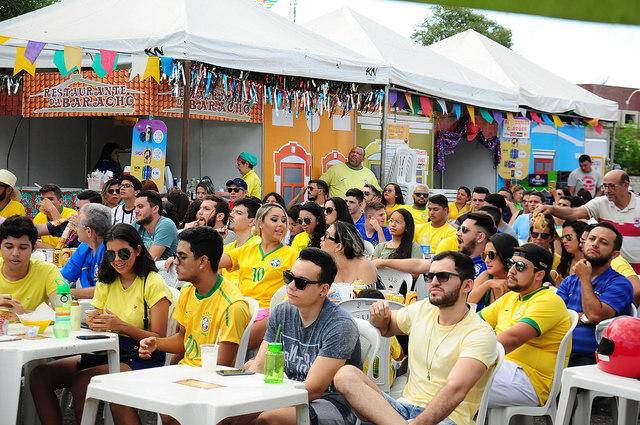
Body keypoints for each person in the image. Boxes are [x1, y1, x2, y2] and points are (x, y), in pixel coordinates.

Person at [29, 223, 172, 425]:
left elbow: (159, 338)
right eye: (111, 254)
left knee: (83, 381)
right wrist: (95, 321)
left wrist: (121, 326)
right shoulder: (107, 281)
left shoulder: (152, 282)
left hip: (141, 357)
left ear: (138, 250)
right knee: (39, 377)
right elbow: (96, 316)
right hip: (104, 352)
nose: (117, 260)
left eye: (123, 253)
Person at [334, 251, 497, 425]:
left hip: (449, 418)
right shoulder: (424, 309)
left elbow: (455, 389)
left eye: (443, 277)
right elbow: (386, 327)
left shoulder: (479, 332)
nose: (434, 282)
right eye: (430, 276)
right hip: (404, 409)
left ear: (467, 285)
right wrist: (377, 316)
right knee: (346, 375)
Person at [139, 227, 251, 425]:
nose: (175, 262)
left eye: (182, 256)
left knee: (171, 412)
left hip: (211, 384)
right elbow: (183, 340)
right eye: (175, 256)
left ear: (203, 261)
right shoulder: (190, 290)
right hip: (185, 375)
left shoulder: (232, 305)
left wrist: (177, 383)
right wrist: (157, 344)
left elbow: (220, 367)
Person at [239, 247, 361, 425]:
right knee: (231, 416)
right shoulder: (281, 312)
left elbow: (314, 389)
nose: (291, 286)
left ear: (323, 289)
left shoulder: (340, 326)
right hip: (289, 391)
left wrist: (264, 406)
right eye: (289, 277)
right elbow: (259, 366)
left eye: (301, 283)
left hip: (331, 404)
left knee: (267, 420)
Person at [479, 244, 571, 408]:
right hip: (504, 368)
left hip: (532, 380)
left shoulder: (549, 300)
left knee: (455, 379)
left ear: (539, 275)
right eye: (510, 264)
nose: (512, 271)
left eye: (520, 267)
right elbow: (475, 322)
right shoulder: (511, 297)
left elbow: (511, 340)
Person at [218, 203, 299, 349]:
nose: (281, 224)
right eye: (274, 219)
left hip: (270, 312)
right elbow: (213, 262)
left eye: (283, 221)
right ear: (260, 222)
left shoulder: (292, 255)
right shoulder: (246, 250)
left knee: (235, 345)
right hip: (242, 309)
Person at [556, 222, 633, 366]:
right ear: (584, 244)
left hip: (591, 358)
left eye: (603, 242)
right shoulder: (570, 281)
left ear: (615, 254)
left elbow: (595, 315)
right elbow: (553, 314)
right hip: (556, 349)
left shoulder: (620, 284)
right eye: (591, 239)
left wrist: (585, 278)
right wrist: (582, 318)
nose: (595, 244)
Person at [534, 170, 640, 273]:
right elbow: (573, 213)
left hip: (637, 270)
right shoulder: (600, 203)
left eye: (612, 186)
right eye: (605, 186)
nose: (607, 190)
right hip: (608, 270)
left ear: (626, 185)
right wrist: (551, 209)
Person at [0, 216, 60, 318]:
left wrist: (23, 314)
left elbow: (65, 314)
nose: (15, 253)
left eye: (23, 248)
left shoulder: (48, 271)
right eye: (9, 247)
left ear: (34, 248)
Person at [61, 203, 112, 299]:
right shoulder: (83, 248)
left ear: (89, 231)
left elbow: (106, 290)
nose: (75, 229)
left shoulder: (111, 251)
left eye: (77, 226)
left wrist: (66, 292)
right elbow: (63, 280)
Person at [468, 233, 520, 309]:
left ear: (506, 255)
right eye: (484, 255)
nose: (486, 260)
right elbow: (468, 304)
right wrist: (488, 284)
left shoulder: (517, 281)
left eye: (491, 255)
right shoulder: (486, 276)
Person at [321, 221, 377, 286]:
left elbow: (369, 296)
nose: (322, 238)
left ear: (338, 246)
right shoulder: (326, 266)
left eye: (326, 236)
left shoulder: (364, 266)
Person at [220, 198, 262, 285]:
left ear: (252, 221)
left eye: (238, 213)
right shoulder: (227, 248)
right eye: (232, 211)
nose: (231, 215)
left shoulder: (258, 246)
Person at [133, 190, 178, 260]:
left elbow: (150, 260)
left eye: (140, 206)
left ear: (155, 209)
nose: (135, 211)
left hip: (161, 270)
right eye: (135, 207)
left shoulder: (166, 225)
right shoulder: (137, 223)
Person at [33, 184, 77, 248]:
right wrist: (49, 247)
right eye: (42, 199)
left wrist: (52, 209)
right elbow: (29, 239)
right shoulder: (39, 217)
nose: (46, 203)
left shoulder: (71, 214)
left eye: (50, 199)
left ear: (60, 202)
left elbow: (66, 236)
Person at [458, 212, 497, 279]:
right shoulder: (454, 260)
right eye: (459, 229)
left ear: (480, 237)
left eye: (464, 229)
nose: (458, 233)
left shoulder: (489, 268)